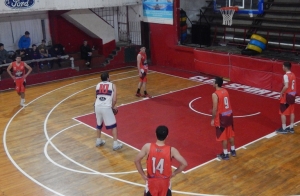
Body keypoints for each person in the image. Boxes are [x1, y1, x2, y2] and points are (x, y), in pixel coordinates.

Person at [135, 125, 187, 196]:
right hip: (165, 183)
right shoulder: (172, 150)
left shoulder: (147, 147)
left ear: (155, 134)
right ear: (167, 136)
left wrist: (143, 175)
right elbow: (184, 164)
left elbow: (136, 160)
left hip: (151, 182)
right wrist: (174, 173)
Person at [94, 72, 123, 150]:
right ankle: (115, 144)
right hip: (106, 107)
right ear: (108, 78)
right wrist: (112, 106)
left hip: (97, 106)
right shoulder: (113, 85)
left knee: (99, 124)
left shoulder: (97, 85)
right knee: (113, 126)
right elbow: (114, 99)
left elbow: (97, 97)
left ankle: (98, 140)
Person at [211, 77, 236, 160]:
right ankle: (233, 150)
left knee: (223, 137)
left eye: (214, 82)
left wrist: (213, 119)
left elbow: (215, 108)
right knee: (230, 134)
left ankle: (225, 154)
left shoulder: (215, 94)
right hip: (229, 115)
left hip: (221, 118)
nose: (212, 83)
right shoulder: (225, 91)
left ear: (217, 84)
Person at [276, 62, 297, 134]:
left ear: (285, 67)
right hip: (293, 94)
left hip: (287, 95)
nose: (282, 67)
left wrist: (281, 92)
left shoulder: (285, 75)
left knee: (282, 112)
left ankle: (284, 128)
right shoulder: (293, 74)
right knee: (292, 111)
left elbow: (286, 86)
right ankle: (291, 128)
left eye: (283, 66)